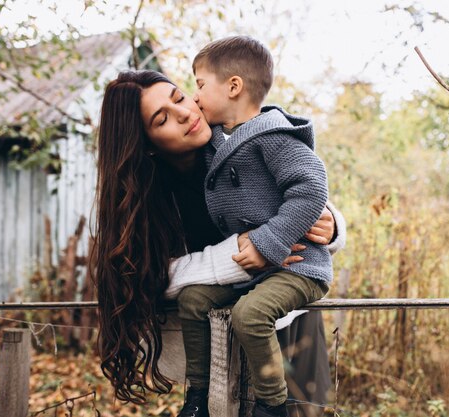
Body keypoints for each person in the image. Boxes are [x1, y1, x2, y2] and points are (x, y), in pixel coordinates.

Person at [92, 69, 344, 414]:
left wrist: (331, 228)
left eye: (179, 97)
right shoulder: (145, 196)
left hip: (289, 323)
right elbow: (146, 276)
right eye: (162, 118)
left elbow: (304, 196)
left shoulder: (239, 138)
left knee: (300, 409)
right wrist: (241, 252)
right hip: (211, 342)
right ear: (146, 145)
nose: (184, 113)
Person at [172, 35, 333, 417]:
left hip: (297, 266)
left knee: (250, 315)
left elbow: (311, 188)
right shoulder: (217, 141)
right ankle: (197, 397)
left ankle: (273, 404)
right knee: (192, 301)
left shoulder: (272, 136)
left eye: (199, 85)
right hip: (252, 270)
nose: (194, 98)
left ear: (233, 86)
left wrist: (269, 240)